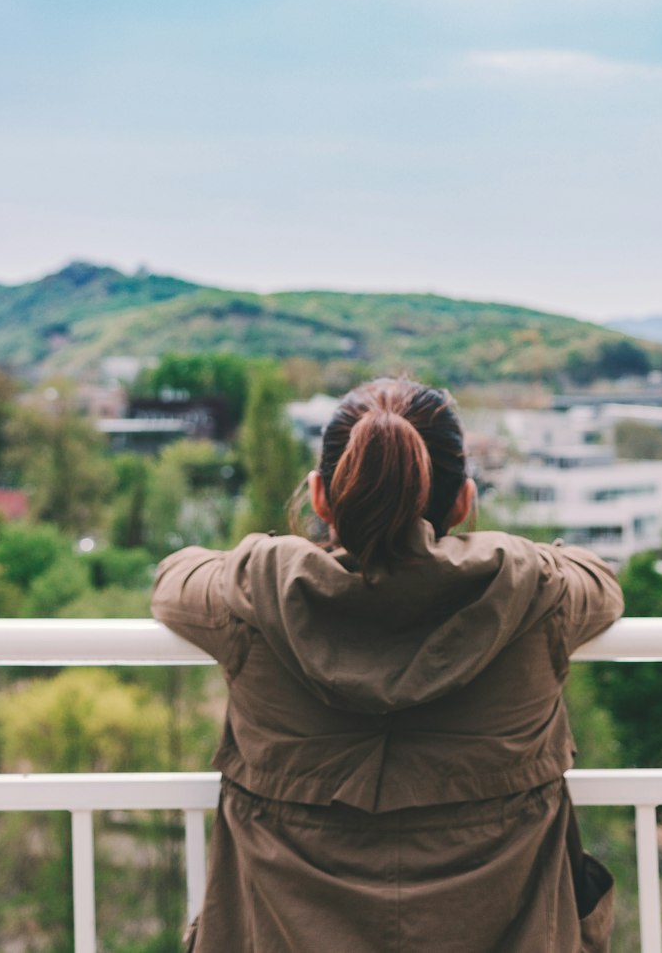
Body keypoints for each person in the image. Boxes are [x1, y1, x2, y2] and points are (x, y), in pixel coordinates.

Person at [151, 377, 624, 953]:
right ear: (463, 500)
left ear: (321, 496)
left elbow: (175, 579)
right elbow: (599, 580)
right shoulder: (531, 596)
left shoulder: (256, 595)